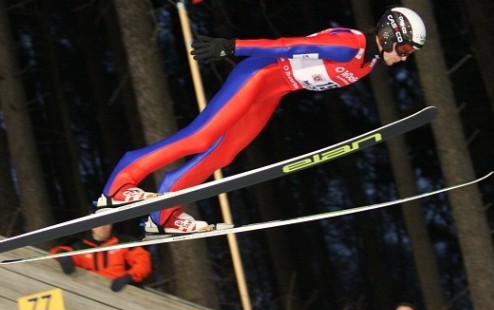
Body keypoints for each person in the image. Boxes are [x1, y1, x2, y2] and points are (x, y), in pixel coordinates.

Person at [95, 7, 426, 234]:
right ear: (390, 33)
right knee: (201, 137)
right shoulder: (349, 46)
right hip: (258, 76)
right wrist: (232, 47)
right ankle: (119, 185)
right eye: (406, 48)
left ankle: (165, 210)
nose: (405, 56)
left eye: (410, 53)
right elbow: (289, 45)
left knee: (224, 154)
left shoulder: (367, 63)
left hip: (274, 92)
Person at [50, 223, 152, 292]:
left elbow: (143, 262)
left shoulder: (124, 243)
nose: (104, 227)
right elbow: (55, 254)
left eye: (107, 223)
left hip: (121, 293)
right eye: (99, 223)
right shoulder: (79, 246)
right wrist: (63, 256)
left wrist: (130, 277)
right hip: (88, 294)